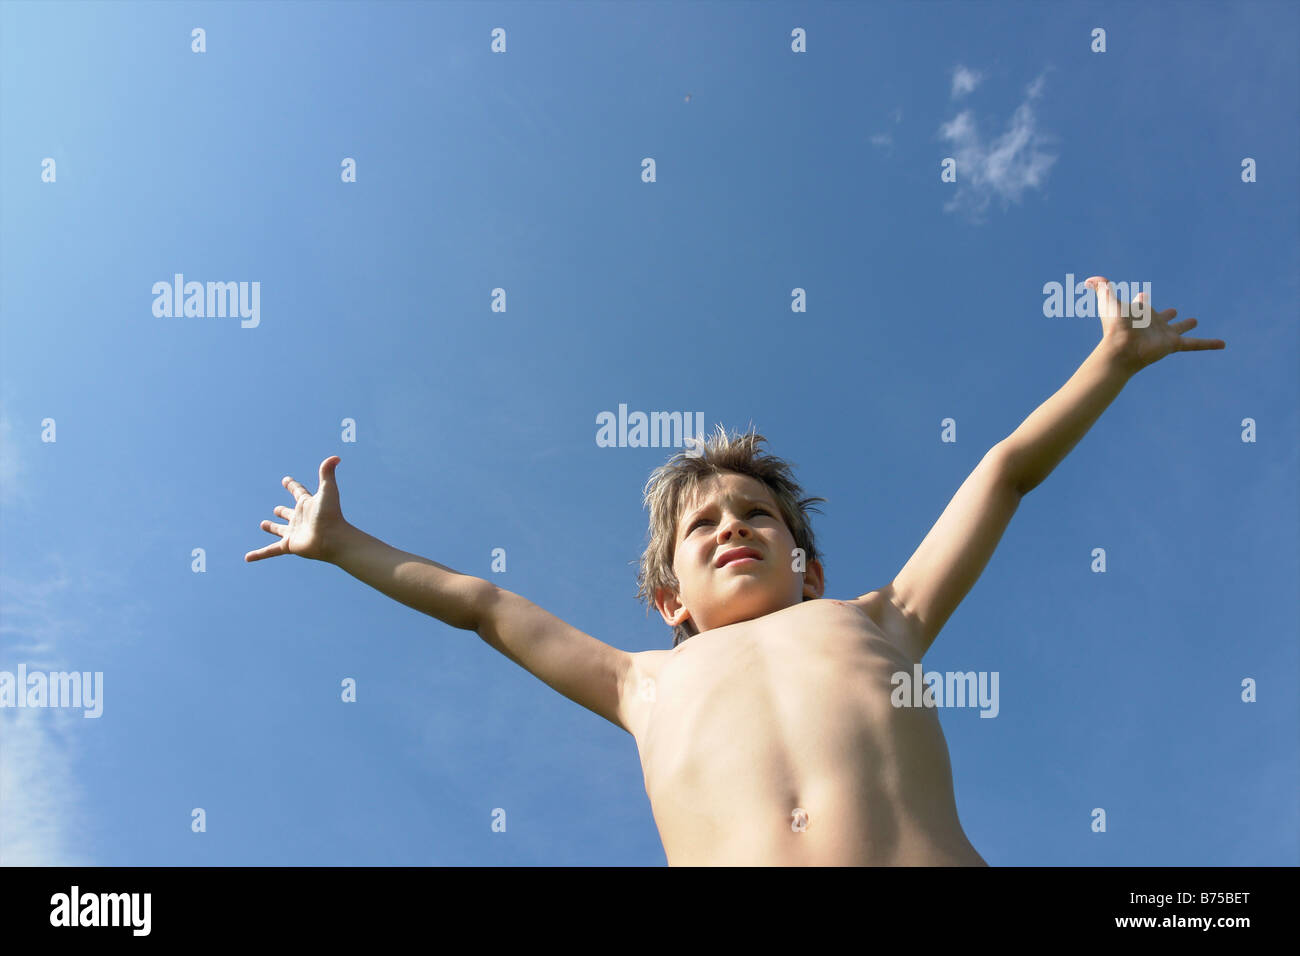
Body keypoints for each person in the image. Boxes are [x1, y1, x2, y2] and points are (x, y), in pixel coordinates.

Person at [245, 276, 1224, 865]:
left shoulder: (882, 618)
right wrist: (343, 545)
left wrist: (1108, 364)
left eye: (757, 514)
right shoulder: (642, 680)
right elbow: (484, 606)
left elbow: (1003, 474)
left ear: (809, 568)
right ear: (668, 595)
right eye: (702, 524)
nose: (731, 527)